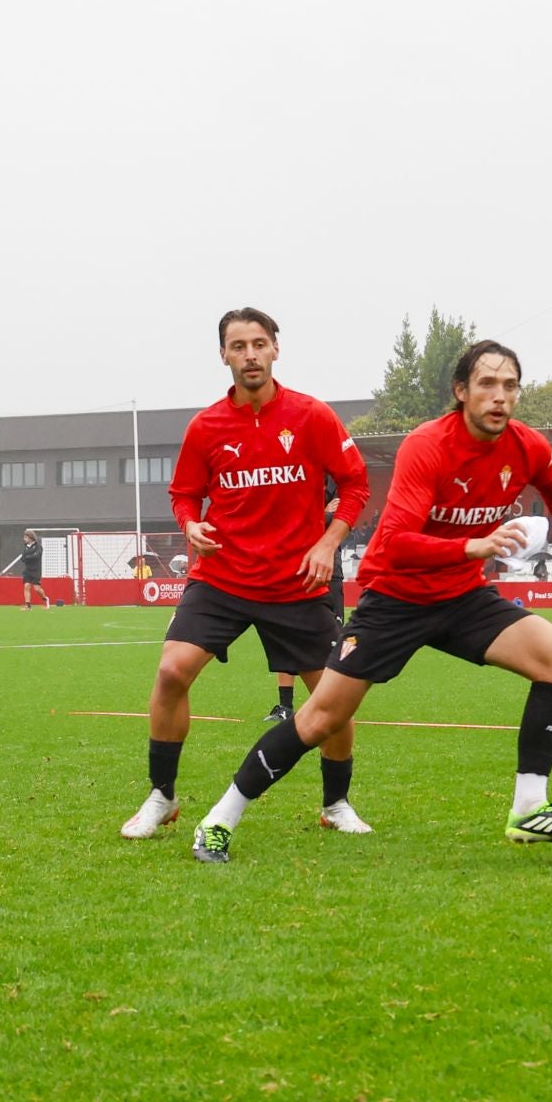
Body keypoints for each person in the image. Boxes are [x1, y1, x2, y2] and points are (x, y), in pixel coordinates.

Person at [185, 340, 552, 862]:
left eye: (509, 386)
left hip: (463, 595)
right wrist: (471, 546)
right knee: (319, 720)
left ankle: (528, 810)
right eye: (486, 385)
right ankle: (217, 820)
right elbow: (394, 544)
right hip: (396, 598)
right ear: (461, 392)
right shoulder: (427, 445)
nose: (500, 397)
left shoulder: (526, 445)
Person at [120, 307, 371, 844]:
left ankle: (336, 803)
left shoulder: (312, 415)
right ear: (224, 356)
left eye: (259, 343)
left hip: (296, 582)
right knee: (170, 673)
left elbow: (355, 484)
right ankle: (162, 796)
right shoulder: (206, 425)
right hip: (222, 579)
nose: (250, 354)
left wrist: (328, 543)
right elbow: (183, 493)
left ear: (276, 349)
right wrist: (191, 525)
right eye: (239, 346)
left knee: (331, 699)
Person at [270, 478, 345, 723]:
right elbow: (285, 519)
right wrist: (320, 515)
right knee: (284, 635)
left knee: (335, 639)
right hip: (291, 567)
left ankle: (332, 701)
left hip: (328, 568)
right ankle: (285, 706)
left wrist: (316, 518)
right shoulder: (288, 471)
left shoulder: (336, 477)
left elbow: (341, 518)